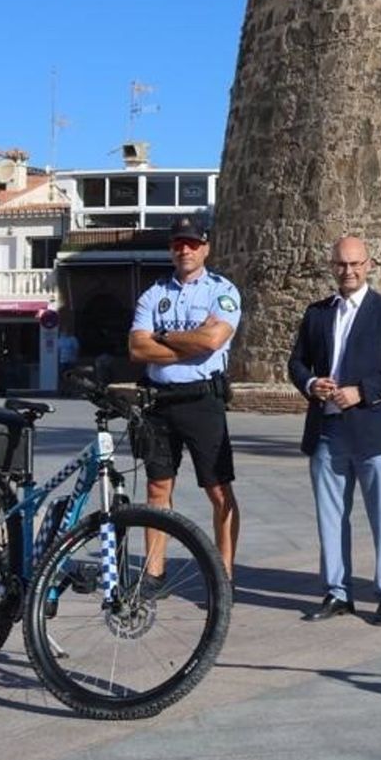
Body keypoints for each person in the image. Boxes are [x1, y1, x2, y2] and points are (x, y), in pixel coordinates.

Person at [288, 236, 381, 626]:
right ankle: (336, 592)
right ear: (332, 266)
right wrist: (312, 385)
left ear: (369, 264)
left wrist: (360, 392)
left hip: (374, 430)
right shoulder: (317, 313)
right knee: (330, 516)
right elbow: (296, 362)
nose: (349, 271)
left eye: (356, 264)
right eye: (342, 264)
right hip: (327, 429)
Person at [128, 216, 243, 582]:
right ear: (170, 249)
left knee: (217, 489)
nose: (185, 250)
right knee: (157, 487)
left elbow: (212, 341)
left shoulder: (222, 291)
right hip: (159, 401)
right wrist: (187, 342)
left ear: (205, 247)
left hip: (202, 399)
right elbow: (136, 347)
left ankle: (223, 575)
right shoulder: (153, 294)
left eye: (192, 243)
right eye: (178, 243)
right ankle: (154, 572)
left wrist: (160, 336)